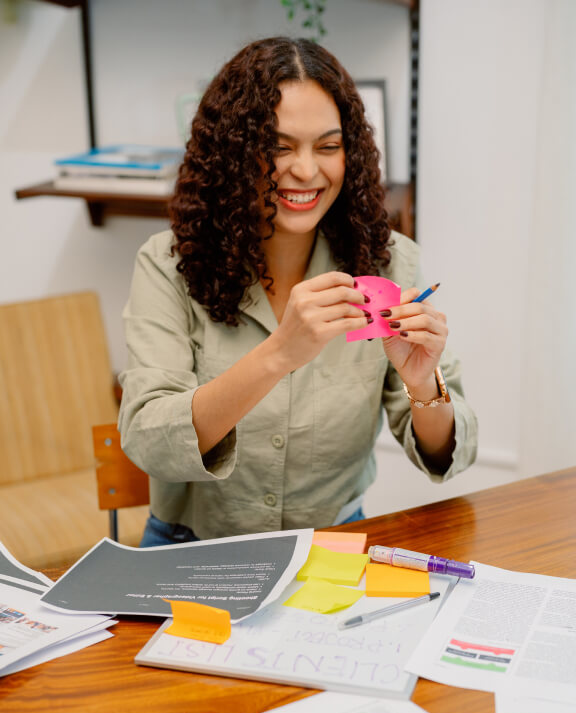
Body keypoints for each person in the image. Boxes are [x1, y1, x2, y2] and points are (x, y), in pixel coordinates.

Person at [118, 36, 478, 547]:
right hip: (190, 549)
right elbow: (149, 439)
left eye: (328, 147)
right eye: (278, 147)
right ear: (232, 153)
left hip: (333, 548)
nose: (307, 171)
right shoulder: (167, 262)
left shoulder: (388, 261)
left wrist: (424, 386)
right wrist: (279, 354)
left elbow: (448, 453)